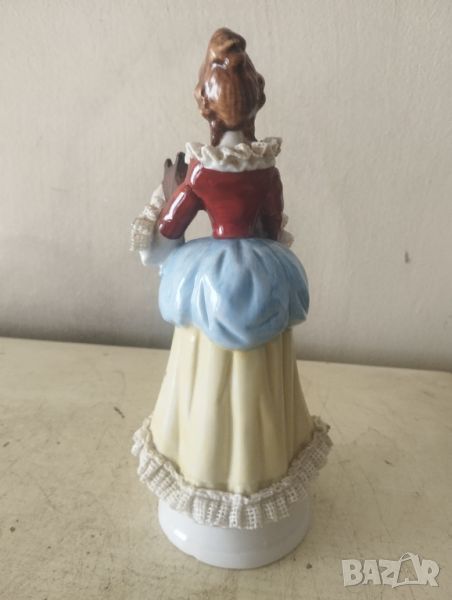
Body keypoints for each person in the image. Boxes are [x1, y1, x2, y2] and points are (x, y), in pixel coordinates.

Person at [131, 28, 331, 530]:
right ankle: (261, 460)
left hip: (209, 275)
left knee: (204, 366)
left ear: (205, 104)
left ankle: (205, 457)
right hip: (261, 271)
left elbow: (167, 232)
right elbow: (272, 228)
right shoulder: (266, 170)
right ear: (257, 98)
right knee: (260, 367)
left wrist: (168, 196)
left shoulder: (201, 173)